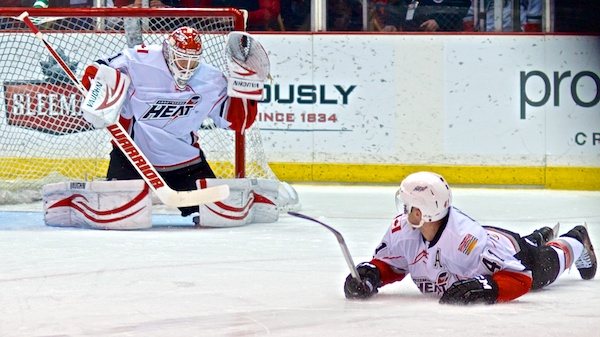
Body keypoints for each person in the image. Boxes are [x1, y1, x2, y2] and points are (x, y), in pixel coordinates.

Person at [71, 27, 281, 228]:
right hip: (132, 159)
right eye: (182, 60)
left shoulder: (211, 79)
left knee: (216, 219)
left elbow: (237, 122)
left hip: (185, 164)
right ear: (168, 53)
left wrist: (245, 88)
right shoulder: (138, 60)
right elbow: (97, 70)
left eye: (193, 62)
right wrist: (98, 91)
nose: (187, 68)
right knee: (117, 219)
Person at [344, 171, 597, 304]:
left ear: (422, 212)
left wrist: (488, 288)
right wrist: (371, 275)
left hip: (512, 252)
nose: (403, 210)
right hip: (491, 238)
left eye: (408, 205)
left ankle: (576, 238)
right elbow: (393, 263)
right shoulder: (404, 229)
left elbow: (521, 277)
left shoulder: (467, 242)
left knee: (546, 264)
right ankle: (536, 236)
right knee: (525, 243)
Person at [374, 0, 470, 32]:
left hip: (447, 37)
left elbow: (462, 7)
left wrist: (439, 21)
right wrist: (392, 24)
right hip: (412, 37)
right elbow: (399, 7)